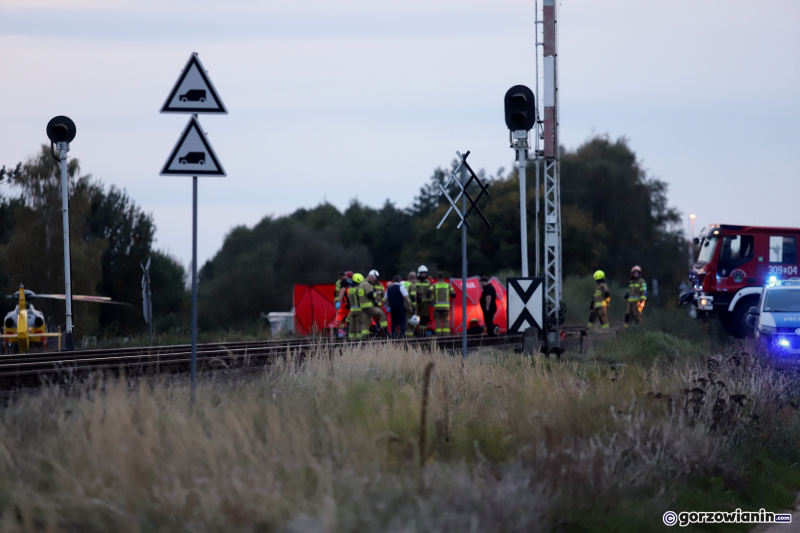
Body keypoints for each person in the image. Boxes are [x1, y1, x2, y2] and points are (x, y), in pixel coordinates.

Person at [359, 271, 388, 336]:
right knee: (382, 315)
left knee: (366, 323)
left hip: (363, 306)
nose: (374, 282)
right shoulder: (367, 284)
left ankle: (363, 338)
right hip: (368, 306)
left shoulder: (362, 283)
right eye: (374, 280)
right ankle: (385, 332)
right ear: (371, 278)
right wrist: (377, 294)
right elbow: (370, 295)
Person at [432, 271, 455, 336]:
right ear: (443, 277)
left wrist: (432, 301)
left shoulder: (434, 285)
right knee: (446, 321)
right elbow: (453, 294)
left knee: (438, 321)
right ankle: (445, 336)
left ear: (437, 277)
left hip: (437, 308)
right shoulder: (448, 285)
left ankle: (439, 336)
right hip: (446, 308)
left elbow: (429, 292)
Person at [415, 266, 433, 335]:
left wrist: (430, 295)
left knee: (424, 318)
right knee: (415, 318)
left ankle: (422, 333)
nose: (424, 274)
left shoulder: (428, 282)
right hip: (417, 303)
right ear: (419, 273)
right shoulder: (415, 282)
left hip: (425, 304)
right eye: (422, 273)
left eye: (425, 273)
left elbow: (431, 291)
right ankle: (415, 331)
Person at [347, 273, 364, 340]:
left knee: (352, 325)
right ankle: (359, 339)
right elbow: (361, 298)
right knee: (359, 324)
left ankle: (351, 339)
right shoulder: (358, 289)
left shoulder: (350, 289)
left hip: (352, 310)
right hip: (359, 310)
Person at [403, 272, 418, 337]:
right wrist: (414, 307)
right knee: (410, 322)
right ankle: (410, 338)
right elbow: (413, 297)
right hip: (409, 306)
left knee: (405, 320)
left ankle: (405, 336)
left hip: (403, 305)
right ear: (414, 278)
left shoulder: (403, 283)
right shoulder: (412, 285)